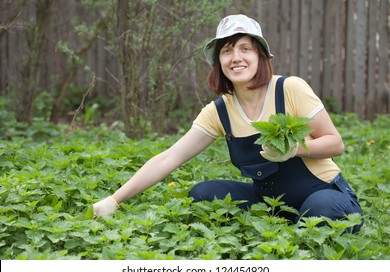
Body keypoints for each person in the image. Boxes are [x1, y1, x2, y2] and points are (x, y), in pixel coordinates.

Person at [93, 14, 363, 232]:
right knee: (202, 193)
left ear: (260, 56)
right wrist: (115, 199)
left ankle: (306, 226)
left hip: (324, 193)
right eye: (227, 50)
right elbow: (170, 157)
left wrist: (295, 150)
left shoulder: (289, 88)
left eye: (245, 48)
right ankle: (285, 226)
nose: (236, 57)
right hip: (271, 206)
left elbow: (335, 143)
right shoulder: (220, 111)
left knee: (322, 209)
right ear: (218, 61)